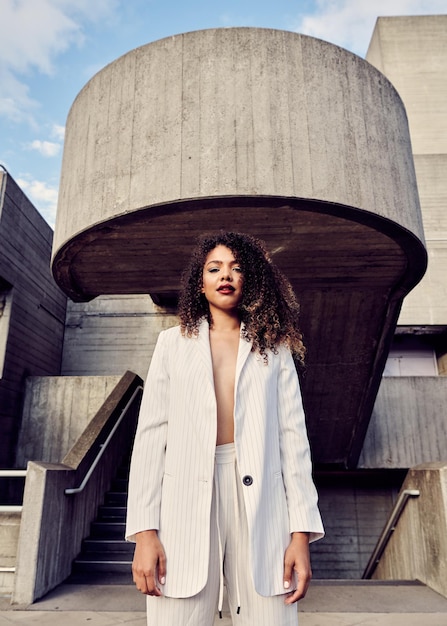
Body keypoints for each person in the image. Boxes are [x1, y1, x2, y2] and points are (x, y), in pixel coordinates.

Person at [126, 231, 324, 626]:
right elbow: (150, 438)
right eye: (214, 268)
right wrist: (144, 533)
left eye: (236, 268)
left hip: (263, 504)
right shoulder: (171, 344)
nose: (225, 275)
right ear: (199, 283)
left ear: (251, 280)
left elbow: (293, 442)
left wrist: (300, 535)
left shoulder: (275, 348)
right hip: (183, 500)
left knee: (270, 615)